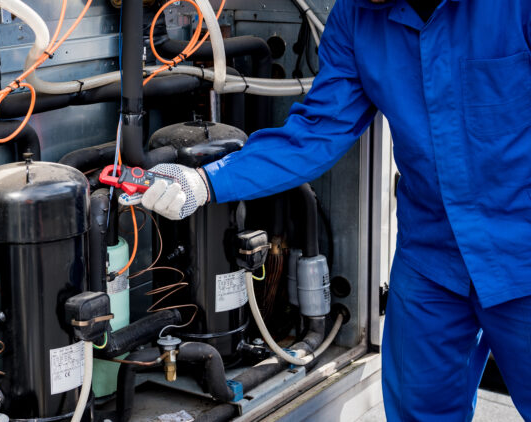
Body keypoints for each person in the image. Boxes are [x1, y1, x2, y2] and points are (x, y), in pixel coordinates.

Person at [123, 0, 531, 420]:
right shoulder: (357, 17)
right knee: (420, 411)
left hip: (523, 248)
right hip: (432, 258)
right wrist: (204, 182)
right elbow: (318, 131)